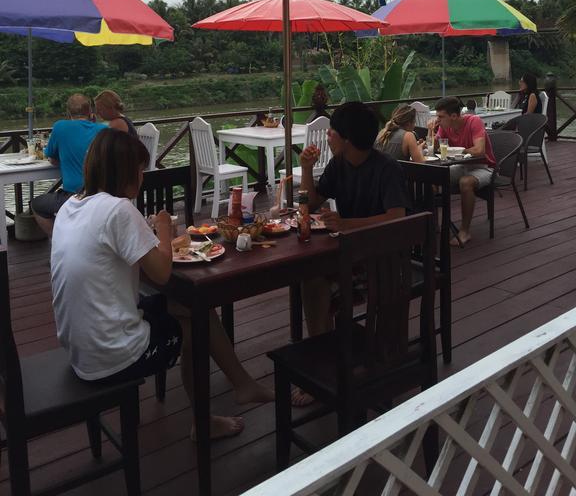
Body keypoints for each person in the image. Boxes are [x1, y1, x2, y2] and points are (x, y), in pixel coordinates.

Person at [51, 129, 273, 441]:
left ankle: (242, 384)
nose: (142, 178)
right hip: (112, 355)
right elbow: (161, 274)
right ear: (125, 172)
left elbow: (124, 265)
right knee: (197, 322)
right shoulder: (117, 209)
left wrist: (157, 240)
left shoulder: (70, 207)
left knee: (191, 308)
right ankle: (207, 418)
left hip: (80, 347)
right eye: (140, 170)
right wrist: (164, 228)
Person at [294, 101, 410, 405]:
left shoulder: (387, 169)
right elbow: (311, 204)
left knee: (316, 285)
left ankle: (332, 362)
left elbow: (396, 217)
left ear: (346, 138)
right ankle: (327, 360)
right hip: (349, 256)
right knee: (312, 281)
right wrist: (306, 169)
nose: (327, 137)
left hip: (382, 264)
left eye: (331, 132)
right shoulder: (338, 165)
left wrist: (347, 224)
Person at [31, 93, 107, 236]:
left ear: (68, 112)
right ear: (90, 111)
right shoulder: (102, 130)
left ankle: (61, 242)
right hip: (102, 195)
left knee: (37, 205)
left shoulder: (60, 127)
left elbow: (52, 159)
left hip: (73, 197)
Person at [429, 96, 496, 248]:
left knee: (465, 182)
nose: (437, 120)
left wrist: (459, 151)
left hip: (483, 167)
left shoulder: (474, 121)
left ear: (453, 116)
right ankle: (433, 224)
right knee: (432, 177)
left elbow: (479, 151)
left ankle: (464, 231)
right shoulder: (444, 126)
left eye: (440, 117)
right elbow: (436, 149)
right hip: (461, 165)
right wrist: (431, 132)